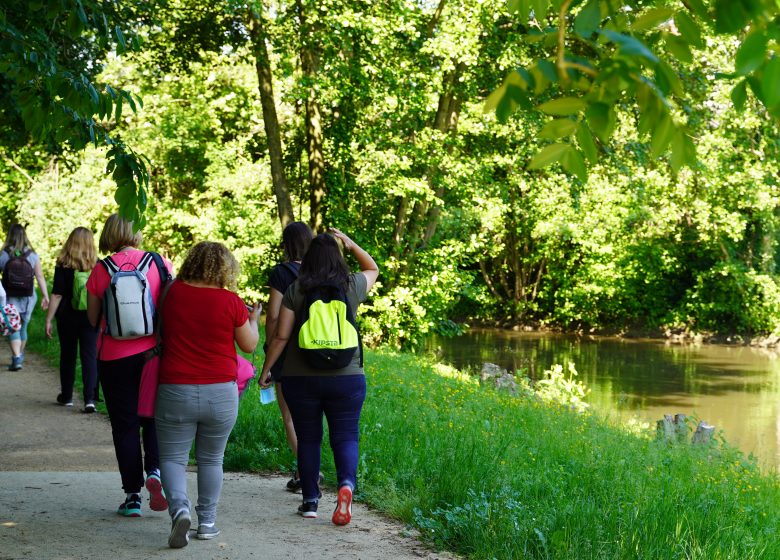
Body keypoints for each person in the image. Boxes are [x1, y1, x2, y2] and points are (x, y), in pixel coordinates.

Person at [260, 229, 378, 525]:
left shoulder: (297, 289)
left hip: (302, 378)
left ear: (309, 258)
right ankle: (346, 486)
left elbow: (281, 336)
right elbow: (373, 268)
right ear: (338, 258)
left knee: (309, 438)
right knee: (346, 435)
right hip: (347, 377)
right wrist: (351, 244)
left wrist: (267, 370)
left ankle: (310, 500)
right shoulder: (351, 286)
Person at [155, 241, 260, 548]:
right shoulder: (231, 301)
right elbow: (250, 345)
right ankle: (208, 523)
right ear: (225, 269)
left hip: (176, 387)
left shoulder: (171, 293)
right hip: (220, 392)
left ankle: (180, 511)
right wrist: (252, 319)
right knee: (212, 459)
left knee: (173, 459)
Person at [86, 213, 172, 518]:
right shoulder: (158, 262)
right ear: (136, 232)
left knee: (124, 426)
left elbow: (93, 319)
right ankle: (156, 473)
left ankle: (133, 495)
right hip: (153, 354)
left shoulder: (100, 269)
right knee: (153, 418)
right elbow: (170, 307)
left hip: (113, 357)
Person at [264, 221, 314, 492]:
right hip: (318, 350)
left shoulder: (282, 273)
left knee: (290, 417)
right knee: (311, 418)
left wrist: (269, 349)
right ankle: (303, 470)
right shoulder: (321, 271)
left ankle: (307, 471)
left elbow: (273, 316)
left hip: (288, 353)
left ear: (286, 244)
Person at [44, 227, 99, 411]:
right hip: (90, 316)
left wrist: (48, 319)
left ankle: (66, 396)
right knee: (89, 356)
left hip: (67, 316)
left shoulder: (63, 264)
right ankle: (90, 399)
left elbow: (57, 295)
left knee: (67, 355)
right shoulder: (96, 265)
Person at [0, 224, 50, 371]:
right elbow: (40, 276)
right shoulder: (32, 255)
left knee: (13, 326)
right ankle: (19, 355)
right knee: (23, 327)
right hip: (29, 297)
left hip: (10, 297)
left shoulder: (4, 254)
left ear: (9, 236)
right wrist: (46, 296)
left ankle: (16, 358)